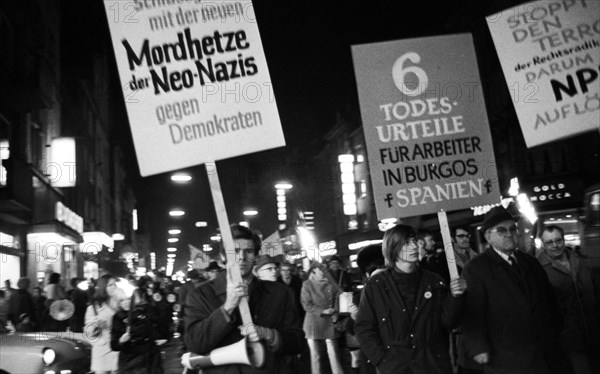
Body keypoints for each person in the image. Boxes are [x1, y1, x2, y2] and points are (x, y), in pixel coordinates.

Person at [184, 224, 305, 373]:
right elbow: (195, 343)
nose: (241, 257)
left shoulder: (281, 293)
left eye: (248, 251)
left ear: (255, 257)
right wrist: (228, 306)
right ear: (223, 257)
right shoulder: (200, 295)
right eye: (234, 251)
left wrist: (269, 335)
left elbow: (297, 341)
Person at [461, 206, 563, 374]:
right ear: (488, 236)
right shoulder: (475, 269)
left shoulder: (530, 262)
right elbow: (473, 311)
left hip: (542, 349)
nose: (509, 234)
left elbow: (548, 297)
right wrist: (478, 347)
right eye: (501, 230)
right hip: (505, 354)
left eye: (512, 228)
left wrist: (555, 327)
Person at [355, 224, 466, 374]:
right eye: (406, 243)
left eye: (414, 241)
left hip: (432, 364)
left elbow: (448, 321)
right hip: (396, 366)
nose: (414, 246)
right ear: (392, 247)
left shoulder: (434, 281)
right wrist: (381, 360)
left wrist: (456, 297)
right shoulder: (376, 285)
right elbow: (364, 327)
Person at [537, 225, 600, 374]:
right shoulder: (538, 269)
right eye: (549, 242)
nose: (555, 245)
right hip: (567, 338)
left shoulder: (580, 260)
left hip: (593, 331)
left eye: (558, 240)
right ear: (543, 245)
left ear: (564, 240)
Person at [111, 287, 167, 374]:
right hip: (130, 361)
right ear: (118, 302)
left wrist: (157, 338)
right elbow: (114, 345)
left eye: (128, 299)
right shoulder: (117, 317)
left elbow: (156, 324)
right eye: (122, 300)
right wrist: (121, 340)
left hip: (149, 357)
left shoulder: (142, 311)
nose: (126, 302)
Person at [301, 261, 343, 374]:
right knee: (316, 356)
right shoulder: (307, 284)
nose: (325, 272)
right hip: (313, 323)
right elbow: (306, 304)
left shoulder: (331, 284)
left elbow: (338, 298)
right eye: (322, 269)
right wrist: (323, 311)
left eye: (325, 269)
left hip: (330, 322)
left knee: (334, 353)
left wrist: (336, 312)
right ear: (313, 271)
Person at [451, 227, 482, 374]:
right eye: (460, 236)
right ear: (453, 239)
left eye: (467, 235)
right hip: (459, 317)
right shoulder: (447, 262)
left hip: (478, 311)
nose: (465, 239)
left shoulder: (478, 259)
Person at [84, 274, 120, 374]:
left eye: (115, 284)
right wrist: (95, 323)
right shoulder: (94, 308)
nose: (114, 287)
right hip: (101, 352)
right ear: (103, 287)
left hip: (117, 350)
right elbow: (88, 333)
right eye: (110, 285)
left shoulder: (120, 305)